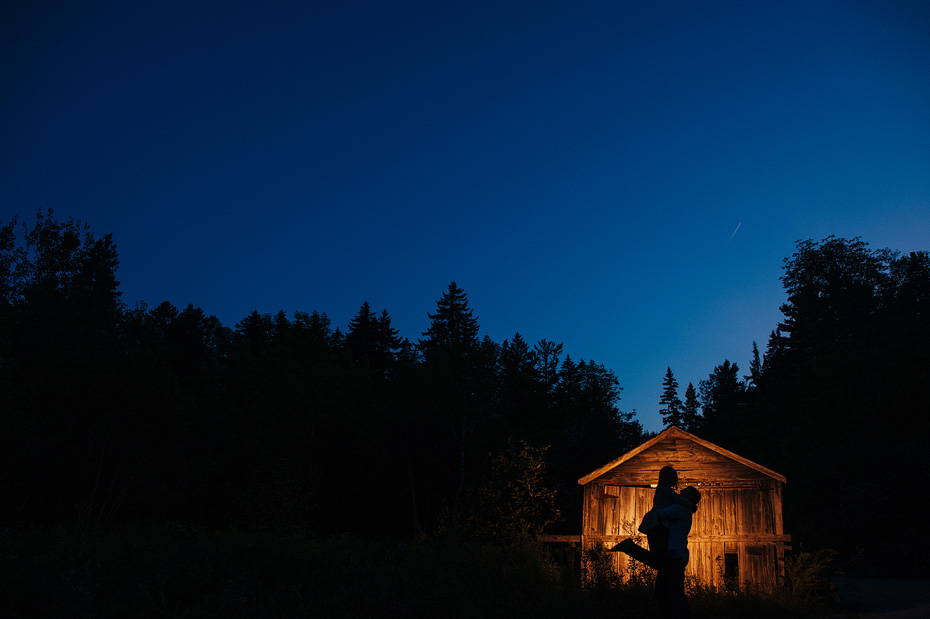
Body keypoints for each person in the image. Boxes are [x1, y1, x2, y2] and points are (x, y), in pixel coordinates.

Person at [612, 466, 696, 617]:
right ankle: (630, 547)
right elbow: (679, 502)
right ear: (671, 478)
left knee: (661, 564)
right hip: (658, 527)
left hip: (656, 527)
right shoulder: (667, 491)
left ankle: (630, 547)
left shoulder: (661, 490)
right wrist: (693, 506)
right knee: (661, 562)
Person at [657, 485, 701, 619]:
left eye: (684, 491)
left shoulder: (681, 508)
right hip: (678, 554)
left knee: (673, 592)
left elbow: (661, 513)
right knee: (672, 591)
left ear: (690, 497)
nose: (680, 491)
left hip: (675, 554)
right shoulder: (685, 509)